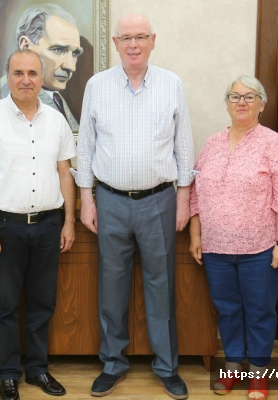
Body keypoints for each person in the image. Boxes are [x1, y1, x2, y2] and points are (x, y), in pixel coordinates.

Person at [74, 13, 194, 400]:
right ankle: (112, 363)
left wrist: (183, 201)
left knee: (161, 287)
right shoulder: (97, 85)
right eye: (126, 37)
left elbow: (184, 146)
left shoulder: (171, 84)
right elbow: (86, 147)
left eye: (140, 36)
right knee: (112, 286)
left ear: (152, 40)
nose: (133, 44)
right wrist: (85, 199)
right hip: (109, 201)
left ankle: (166, 366)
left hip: (159, 201)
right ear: (115, 43)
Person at [0, 49, 76, 400]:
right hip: (4, 228)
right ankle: (9, 373)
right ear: (8, 77)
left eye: (31, 73)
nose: (25, 79)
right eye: (17, 73)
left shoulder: (56, 120)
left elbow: (64, 173)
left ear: (41, 78)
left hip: (47, 227)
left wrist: (69, 221)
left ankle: (38, 370)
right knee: (6, 305)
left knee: (43, 303)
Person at [188, 76, 278, 400]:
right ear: (226, 103)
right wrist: (196, 235)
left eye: (250, 97)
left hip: (261, 248)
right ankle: (234, 365)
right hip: (215, 248)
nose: (241, 102)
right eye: (235, 97)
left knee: (260, 310)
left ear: (261, 104)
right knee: (227, 309)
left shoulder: (273, 143)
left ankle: (258, 373)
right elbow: (196, 193)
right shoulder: (211, 143)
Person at [0, 3, 84, 131]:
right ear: (25, 46)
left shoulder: (56, 98)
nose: (71, 66)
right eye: (58, 50)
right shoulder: (3, 96)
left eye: (75, 53)